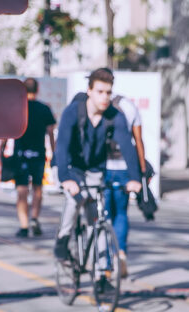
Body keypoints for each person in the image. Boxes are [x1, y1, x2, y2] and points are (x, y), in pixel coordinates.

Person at [53, 68, 142, 264]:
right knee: (75, 198)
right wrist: (65, 178)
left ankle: (102, 275)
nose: (105, 97)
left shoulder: (114, 116)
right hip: (70, 166)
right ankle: (63, 237)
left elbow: (128, 147)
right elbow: (62, 148)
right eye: (100, 92)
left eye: (108, 92)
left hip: (95, 170)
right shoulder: (73, 112)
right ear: (89, 91)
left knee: (99, 220)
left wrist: (135, 178)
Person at [104, 88, 151, 277]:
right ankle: (120, 253)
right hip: (125, 167)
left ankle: (105, 263)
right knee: (121, 213)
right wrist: (140, 171)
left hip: (104, 167)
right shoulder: (129, 106)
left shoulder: (102, 106)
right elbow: (138, 140)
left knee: (104, 216)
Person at [12, 78, 56, 237]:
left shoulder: (17, 108)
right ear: (37, 90)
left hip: (20, 154)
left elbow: (8, 130)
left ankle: (24, 225)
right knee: (38, 188)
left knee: (22, 190)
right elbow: (51, 132)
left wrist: (3, 149)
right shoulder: (44, 108)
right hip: (38, 154)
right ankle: (35, 218)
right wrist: (54, 151)